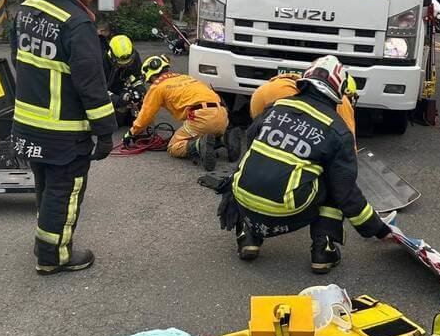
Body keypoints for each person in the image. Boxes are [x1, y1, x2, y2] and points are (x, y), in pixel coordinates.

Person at [225, 55, 391, 274]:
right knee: (332, 182)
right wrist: (378, 229)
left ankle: (248, 236)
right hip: (286, 205)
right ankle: (324, 249)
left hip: (241, 193)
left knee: (256, 164)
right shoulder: (338, 130)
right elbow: (346, 193)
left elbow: (252, 139)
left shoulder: (276, 106)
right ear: (338, 91)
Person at [12, 0, 119, 275]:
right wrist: (105, 132)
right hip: (62, 128)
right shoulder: (76, 23)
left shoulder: (27, 10)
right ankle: (53, 255)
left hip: (27, 122)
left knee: (45, 185)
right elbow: (92, 84)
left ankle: (45, 241)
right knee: (65, 189)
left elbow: (22, 59)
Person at [127, 56, 231, 169]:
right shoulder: (186, 77)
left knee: (173, 146)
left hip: (202, 118)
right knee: (207, 132)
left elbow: (146, 115)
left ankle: (198, 145)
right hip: (222, 114)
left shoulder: (157, 87)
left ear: (150, 75)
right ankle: (225, 140)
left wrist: (132, 133)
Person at [249, 70, 359, 137]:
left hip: (261, 94)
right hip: (280, 96)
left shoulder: (307, 85)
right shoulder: (343, 101)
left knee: (263, 139)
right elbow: (348, 144)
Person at [103, 34, 142, 126]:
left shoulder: (134, 55)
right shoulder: (100, 61)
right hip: (106, 90)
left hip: (121, 86)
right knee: (117, 116)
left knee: (140, 103)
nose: (124, 66)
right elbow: (97, 87)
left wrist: (139, 87)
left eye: (128, 63)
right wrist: (115, 99)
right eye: (121, 64)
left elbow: (135, 75)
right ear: (111, 54)